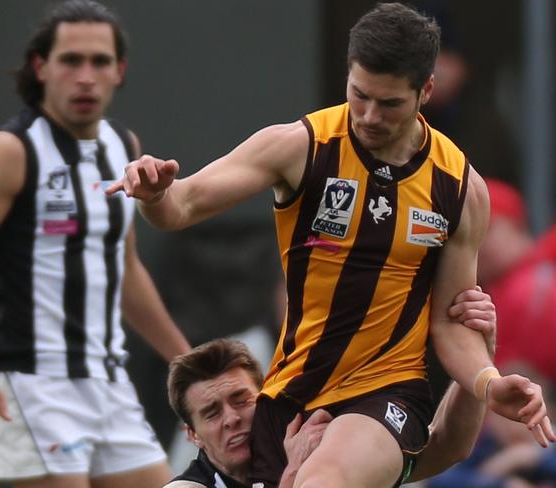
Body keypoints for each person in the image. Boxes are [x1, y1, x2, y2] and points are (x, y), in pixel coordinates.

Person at [107, 3, 554, 487]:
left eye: (389, 104)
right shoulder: (302, 146)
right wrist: (154, 194)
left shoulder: (459, 187)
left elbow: (456, 322)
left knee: (323, 480)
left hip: (388, 392)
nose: (368, 115)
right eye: (359, 95)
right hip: (293, 389)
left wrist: (488, 383)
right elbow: (181, 206)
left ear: (425, 90)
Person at [0, 1, 190, 487]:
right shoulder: (11, 151)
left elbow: (125, 269)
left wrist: (187, 364)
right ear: (41, 67)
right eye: (71, 60)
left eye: (99, 61)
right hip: (32, 385)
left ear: (120, 71)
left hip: (108, 382)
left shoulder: (121, 146)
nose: (86, 76)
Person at [163, 289, 533, 488]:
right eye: (212, 414)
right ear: (193, 436)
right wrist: (294, 476)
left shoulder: (317, 438)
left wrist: (477, 361)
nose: (232, 418)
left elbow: (446, 447)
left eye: (241, 400)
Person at [478, 178, 556, 382]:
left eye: (487, 230)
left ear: (516, 224)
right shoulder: (489, 300)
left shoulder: (532, 278)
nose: (478, 245)